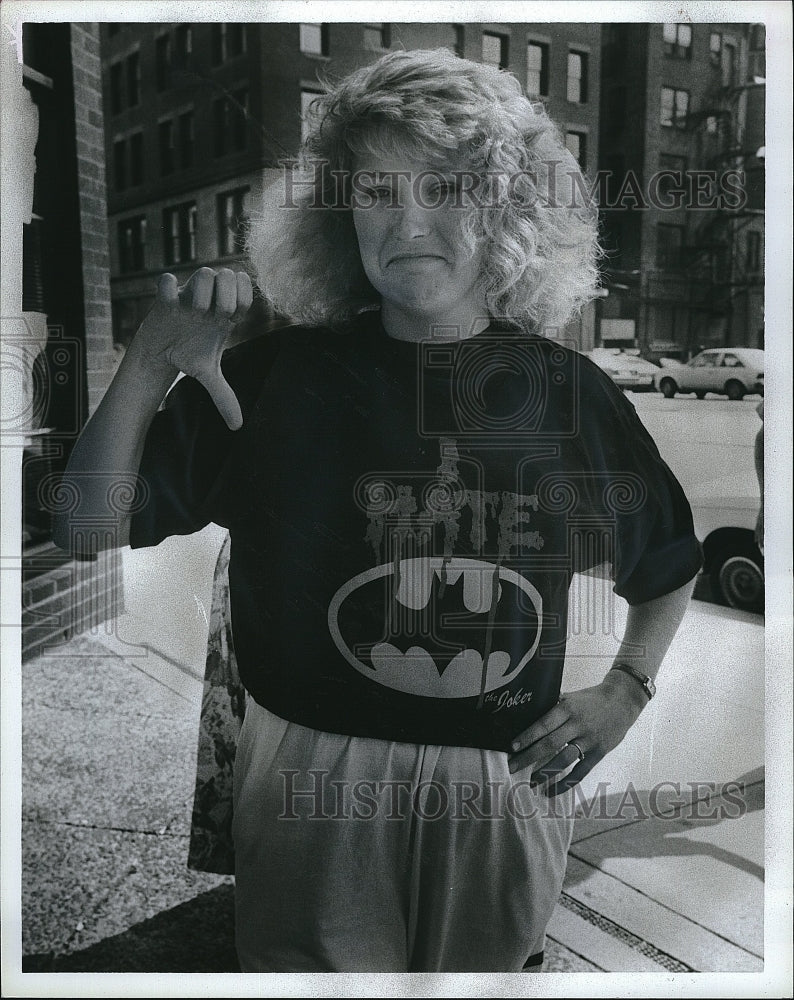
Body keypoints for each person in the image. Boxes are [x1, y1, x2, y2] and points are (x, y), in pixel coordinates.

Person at [53, 48, 702, 972]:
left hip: (499, 785)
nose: (406, 223)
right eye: (376, 190)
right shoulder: (269, 376)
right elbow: (84, 528)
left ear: (507, 207)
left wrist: (625, 693)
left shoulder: (568, 395)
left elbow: (669, 565)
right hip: (305, 769)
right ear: (338, 209)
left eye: (443, 188)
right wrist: (151, 363)